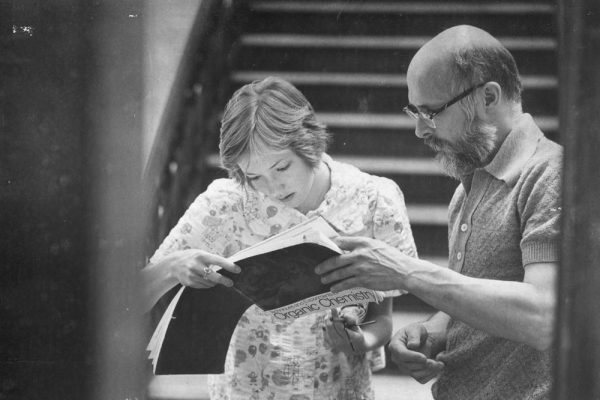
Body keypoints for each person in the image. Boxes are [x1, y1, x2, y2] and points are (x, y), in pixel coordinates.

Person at [315, 25, 562, 400]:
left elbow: (545, 317)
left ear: (489, 96)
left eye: (430, 112)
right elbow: (482, 297)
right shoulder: (469, 188)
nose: (418, 130)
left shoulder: (551, 173)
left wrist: (405, 271)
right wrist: (434, 331)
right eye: (414, 112)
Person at [141, 76, 418, 400]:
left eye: (282, 167)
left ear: (309, 141)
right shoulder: (226, 205)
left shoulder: (372, 200)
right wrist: (174, 265)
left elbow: (382, 320)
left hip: (338, 390)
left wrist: (361, 340)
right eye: (254, 175)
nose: (271, 187)